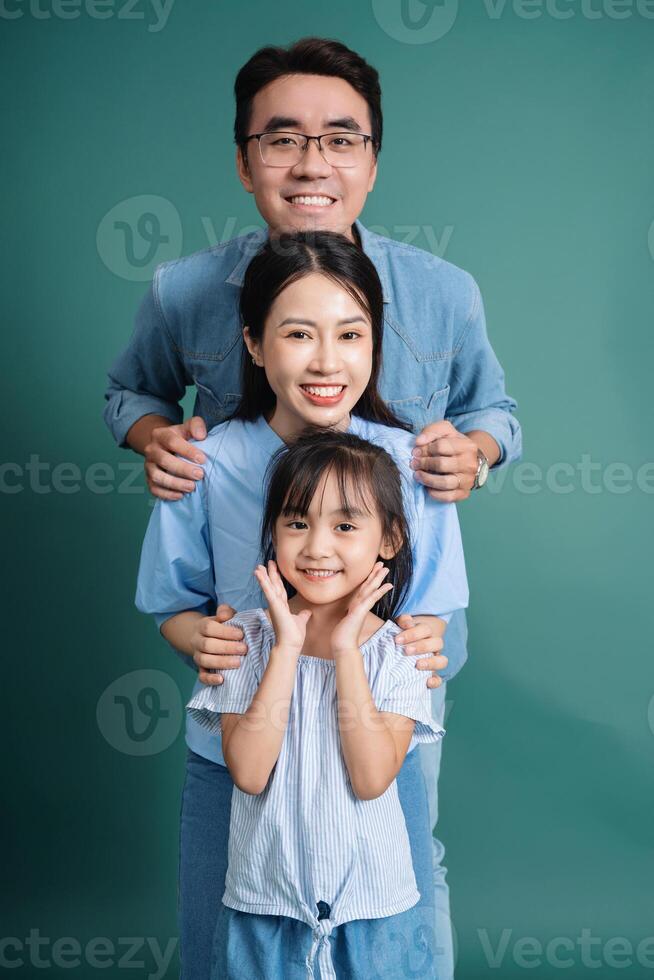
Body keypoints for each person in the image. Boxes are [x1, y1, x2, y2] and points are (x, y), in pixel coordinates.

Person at [107, 37, 520, 979]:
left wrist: (472, 457)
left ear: (373, 157)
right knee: (231, 892)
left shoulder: (440, 308)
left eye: (341, 138)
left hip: (378, 684)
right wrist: (156, 442)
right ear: (244, 156)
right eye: (282, 138)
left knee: (399, 880)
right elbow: (130, 402)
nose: (312, 163)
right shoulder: (186, 306)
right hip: (251, 701)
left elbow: (491, 417)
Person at [134, 231, 468, 979]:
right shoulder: (205, 463)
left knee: (386, 949)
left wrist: (420, 642)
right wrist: (205, 642)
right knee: (233, 954)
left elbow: (431, 614)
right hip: (243, 750)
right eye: (296, 334)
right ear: (253, 344)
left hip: (368, 750)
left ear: (375, 344)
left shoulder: (412, 465)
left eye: (351, 335)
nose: (326, 361)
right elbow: (171, 606)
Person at [186, 429, 449, 980]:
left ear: (390, 539)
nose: (316, 547)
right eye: (297, 522)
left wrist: (348, 650)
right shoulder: (245, 641)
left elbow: (373, 776)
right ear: (274, 534)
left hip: (375, 912)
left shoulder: (401, 652)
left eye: (346, 526)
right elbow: (250, 773)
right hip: (264, 908)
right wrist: (286, 648)